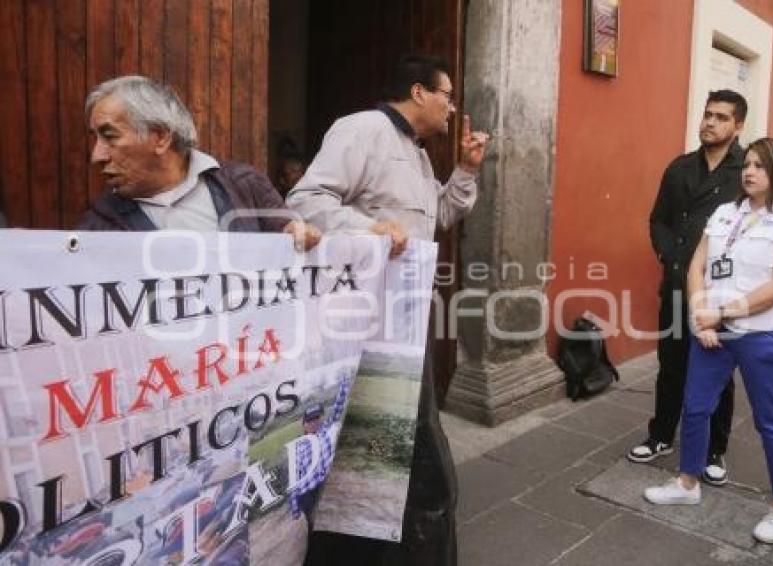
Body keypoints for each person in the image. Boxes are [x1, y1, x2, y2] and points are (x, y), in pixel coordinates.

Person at [286, 54, 489, 566]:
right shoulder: (363, 129)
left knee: (399, 441)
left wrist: (465, 170)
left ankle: (385, 538)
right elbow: (305, 200)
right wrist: (364, 228)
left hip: (405, 322)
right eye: (447, 95)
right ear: (420, 92)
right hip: (361, 326)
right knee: (395, 441)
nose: (452, 107)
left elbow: (440, 214)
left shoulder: (418, 155)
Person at [644, 137, 773, 544]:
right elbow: (697, 265)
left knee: (770, 421)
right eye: (748, 165)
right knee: (696, 407)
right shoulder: (725, 213)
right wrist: (700, 316)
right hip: (713, 333)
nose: (750, 172)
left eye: (761, 166)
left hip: (765, 337)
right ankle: (688, 482)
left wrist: (720, 313)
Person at [629, 90, 749, 487]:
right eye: (707, 114)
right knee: (672, 365)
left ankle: (715, 450)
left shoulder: (746, 173)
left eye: (721, 117)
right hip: (678, 286)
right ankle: (662, 435)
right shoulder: (680, 168)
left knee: (717, 372)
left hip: (719, 294)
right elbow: (658, 220)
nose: (710, 123)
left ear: (738, 126)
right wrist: (668, 257)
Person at [77, 75, 320, 251]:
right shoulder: (98, 226)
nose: (96, 156)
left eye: (110, 137)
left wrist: (297, 233)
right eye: (96, 139)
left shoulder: (244, 185)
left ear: (160, 137)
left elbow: (289, 234)